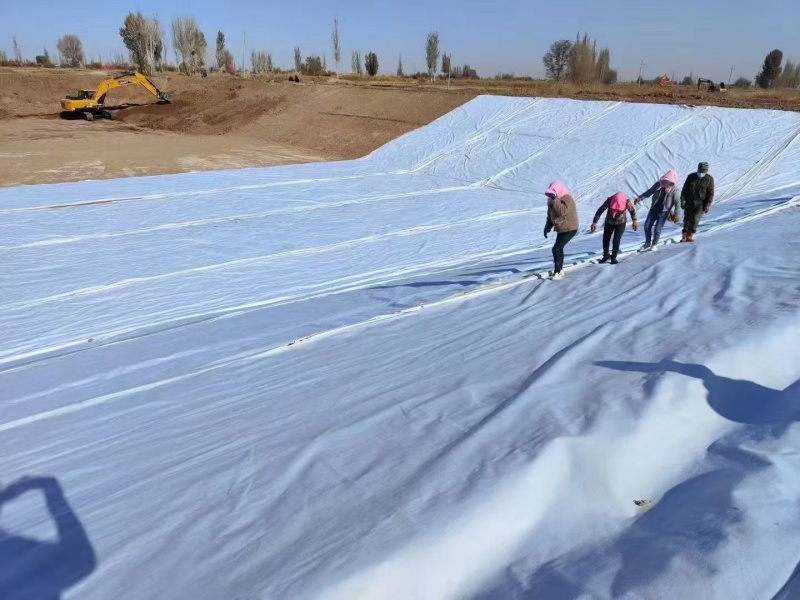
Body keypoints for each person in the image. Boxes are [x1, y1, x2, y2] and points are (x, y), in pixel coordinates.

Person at [634, 170, 681, 251]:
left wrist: (677, 214)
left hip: (664, 212)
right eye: (665, 179)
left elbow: (677, 202)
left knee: (657, 228)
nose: (666, 182)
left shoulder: (675, 190)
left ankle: (654, 244)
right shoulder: (658, 185)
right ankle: (647, 243)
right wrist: (640, 198)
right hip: (654, 209)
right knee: (647, 226)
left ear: (672, 181)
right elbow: (650, 191)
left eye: (668, 180)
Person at [543, 181, 579, 280]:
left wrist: (555, 200)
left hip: (570, 228)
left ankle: (557, 272)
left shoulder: (567, 199)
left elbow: (562, 211)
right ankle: (560, 270)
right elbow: (550, 216)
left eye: (553, 192)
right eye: (550, 193)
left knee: (556, 249)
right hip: (561, 228)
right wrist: (547, 227)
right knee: (559, 248)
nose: (551, 195)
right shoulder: (552, 201)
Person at [591, 192, 638, 264]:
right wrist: (595, 221)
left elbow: (632, 211)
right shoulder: (610, 200)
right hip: (609, 222)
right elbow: (600, 210)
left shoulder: (626, 202)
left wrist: (634, 220)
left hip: (621, 223)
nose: (615, 211)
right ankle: (606, 255)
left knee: (616, 240)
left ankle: (614, 257)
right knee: (606, 239)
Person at [680, 162, 715, 242]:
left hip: (701, 203)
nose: (702, 172)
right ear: (698, 169)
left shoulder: (709, 179)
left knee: (695, 219)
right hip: (689, 202)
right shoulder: (691, 177)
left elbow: (711, 193)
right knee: (687, 219)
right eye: (701, 170)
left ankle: (690, 235)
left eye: (704, 171)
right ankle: (684, 235)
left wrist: (707, 205)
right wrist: (682, 201)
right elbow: (684, 190)